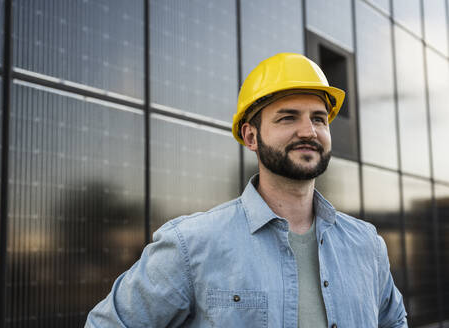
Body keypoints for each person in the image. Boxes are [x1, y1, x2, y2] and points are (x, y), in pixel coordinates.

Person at [85, 53, 408, 327]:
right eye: (287, 118)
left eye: (319, 119)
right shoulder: (192, 244)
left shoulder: (366, 245)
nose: (308, 131)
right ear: (251, 136)